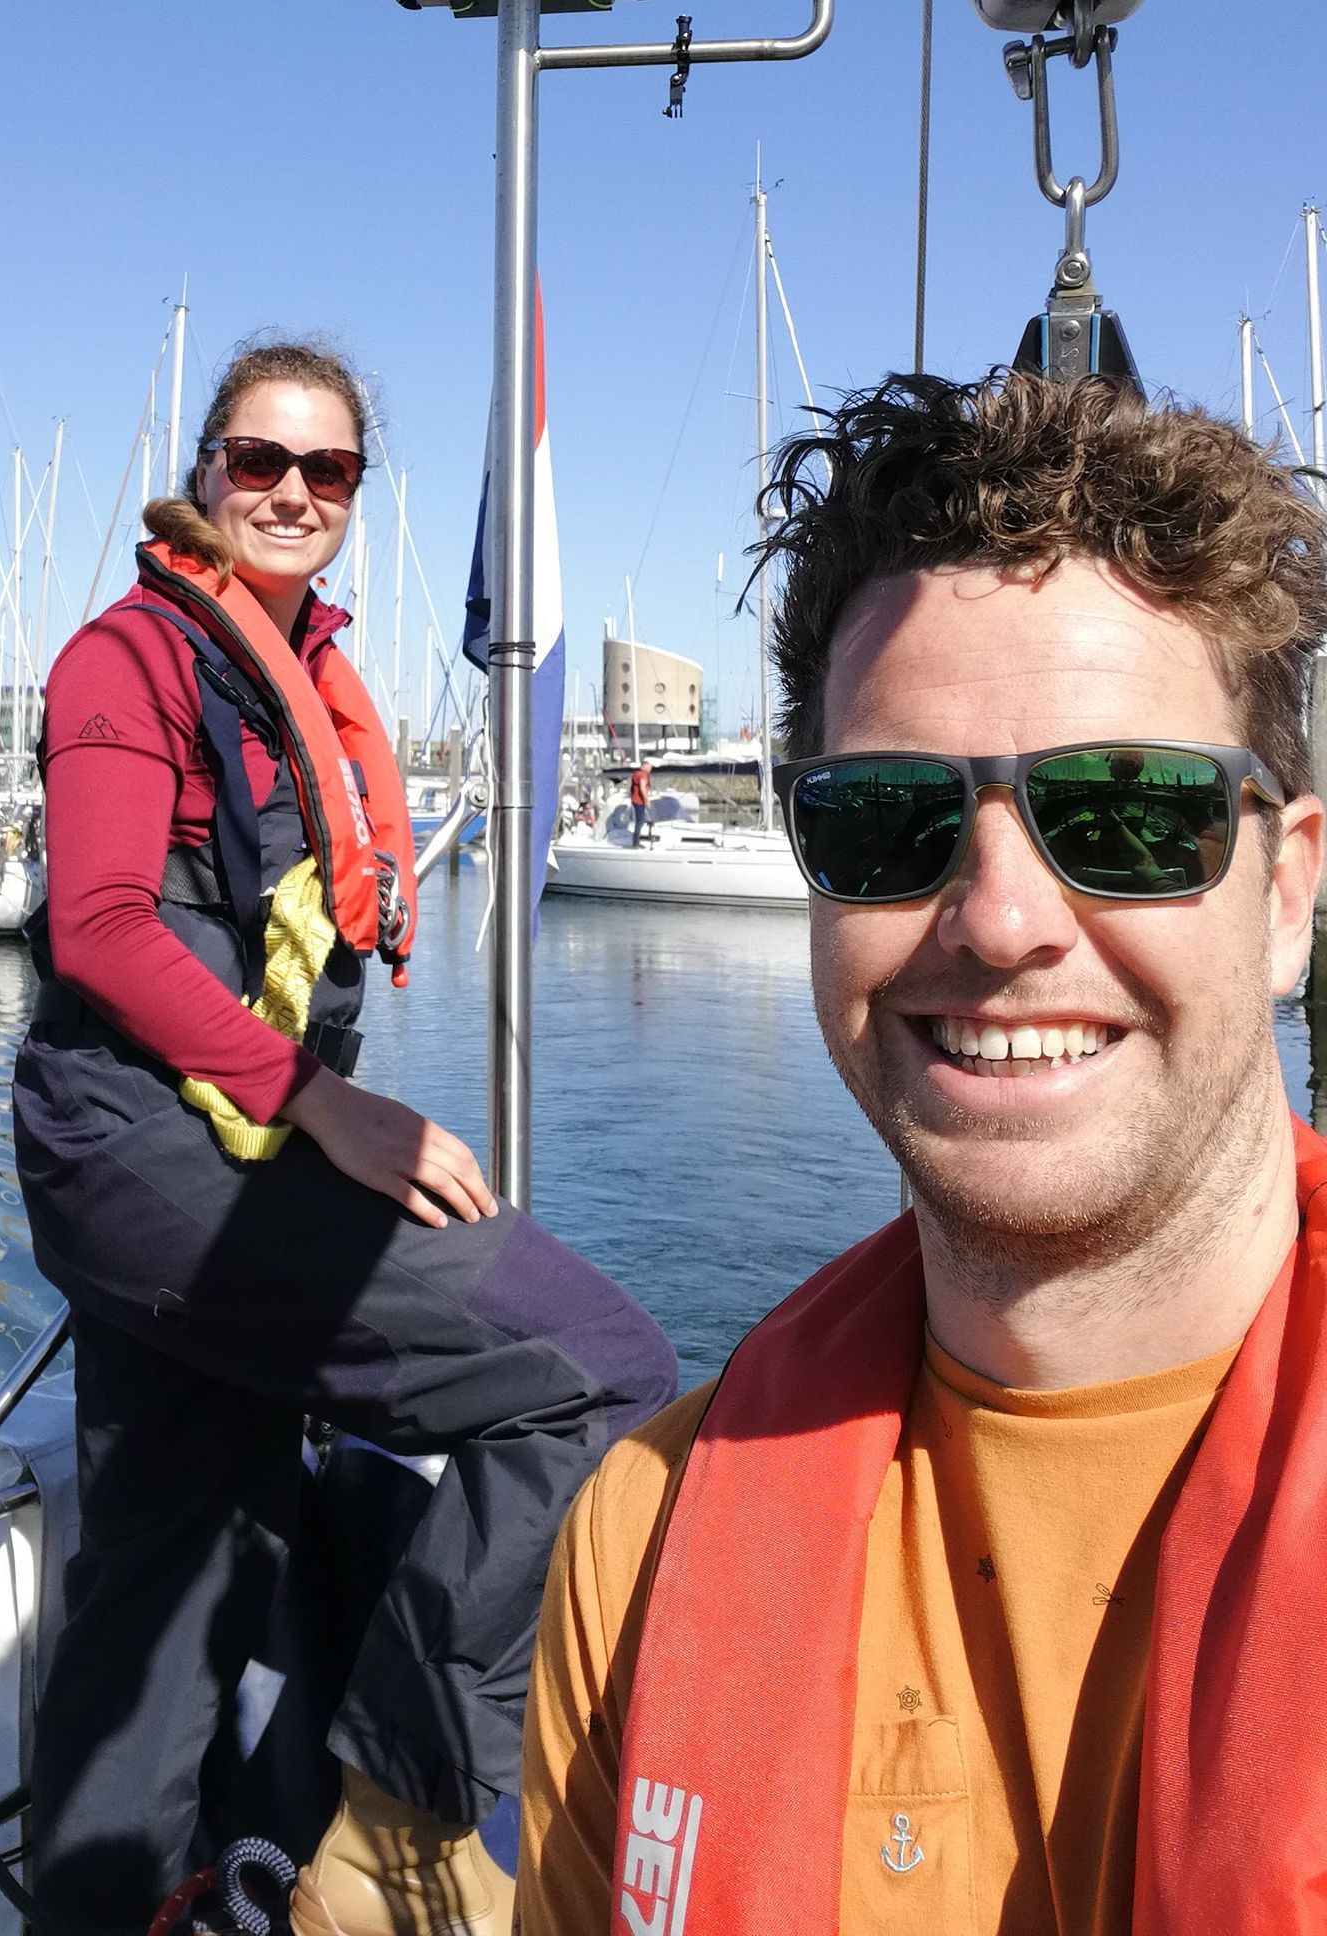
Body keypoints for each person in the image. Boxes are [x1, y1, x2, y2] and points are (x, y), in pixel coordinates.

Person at [518, 370, 1327, 1935]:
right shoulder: (645, 1537)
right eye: (891, 820)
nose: (1004, 919)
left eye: (1130, 813)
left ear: (1288, 892)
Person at [12, 336, 677, 1936]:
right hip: (147, 1156)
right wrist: (319, 1101)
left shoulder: (296, 669)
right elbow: (103, 931)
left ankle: (129, 1905)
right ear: (206, 467)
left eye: (331, 471)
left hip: (218, 1154)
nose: (294, 494)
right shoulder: (129, 663)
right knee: (596, 1365)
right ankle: (391, 1806)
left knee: (175, 1553)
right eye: (260, 461)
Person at [628, 762, 652, 846]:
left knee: (640, 820)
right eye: (649, 767)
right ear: (643, 766)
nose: (650, 769)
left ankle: (636, 841)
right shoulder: (642, 775)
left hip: (636, 800)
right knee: (640, 820)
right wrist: (647, 800)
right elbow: (642, 788)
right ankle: (635, 842)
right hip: (639, 801)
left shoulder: (636, 774)